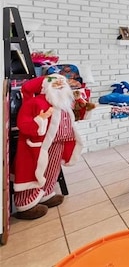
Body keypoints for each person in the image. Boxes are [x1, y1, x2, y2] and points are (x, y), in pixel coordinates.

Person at [12, 74, 83, 220]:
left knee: (52, 170)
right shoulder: (35, 103)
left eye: (62, 85)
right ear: (47, 87)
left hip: (60, 142)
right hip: (39, 146)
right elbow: (24, 124)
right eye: (56, 85)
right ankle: (26, 204)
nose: (60, 87)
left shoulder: (65, 102)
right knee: (32, 171)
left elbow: (72, 117)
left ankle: (46, 194)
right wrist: (40, 120)